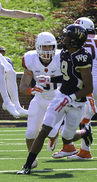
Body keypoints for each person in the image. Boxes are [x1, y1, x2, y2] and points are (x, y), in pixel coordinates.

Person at [17, 24, 94, 175]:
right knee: (43, 130)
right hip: (59, 97)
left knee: (67, 138)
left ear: (73, 41)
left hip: (76, 103)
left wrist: (71, 98)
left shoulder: (83, 57)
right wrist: (50, 79)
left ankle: (85, 132)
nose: (63, 39)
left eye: (67, 37)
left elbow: (89, 87)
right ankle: (27, 166)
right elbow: (67, 76)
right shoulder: (64, 52)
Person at [49, 17, 97, 160]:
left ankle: (67, 144)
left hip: (85, 83)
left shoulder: (77, 40)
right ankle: (84, 151)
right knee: (85, 119)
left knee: (69, 111)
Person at [19, 32, 64, 169]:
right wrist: (30, 90)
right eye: (44, 47)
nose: (48, 50)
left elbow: (70, 78)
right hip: (39, 99)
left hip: (56, 99)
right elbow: (23, 86)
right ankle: (32, 159)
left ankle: (54, 136)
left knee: (50, 132)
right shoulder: (30, 59)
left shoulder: (62, 57)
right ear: (38, 47)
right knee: (30, 132)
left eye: (50, 47)